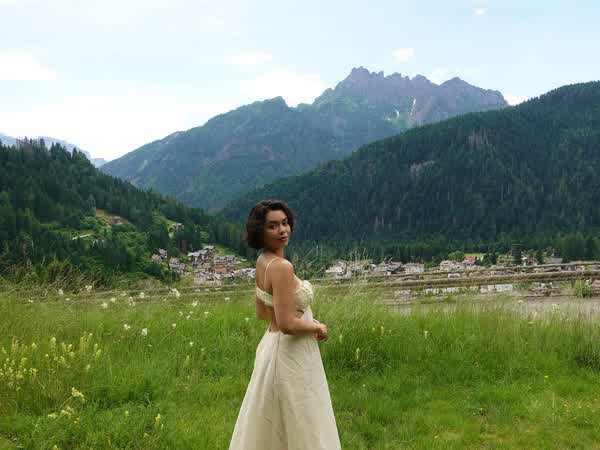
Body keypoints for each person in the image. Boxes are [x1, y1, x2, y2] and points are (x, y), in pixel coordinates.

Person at [229, 199, 342, 450]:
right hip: (291, 352)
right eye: (272, 226)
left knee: (273, 420)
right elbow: (287, 324)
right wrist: (317, 327)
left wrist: (295, 317)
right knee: (301, 418)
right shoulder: (282, 267)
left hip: (271, 345)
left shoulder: (263, 261)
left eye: (285, 223)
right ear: (259, 231)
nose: (282, 230)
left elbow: (263, 312)